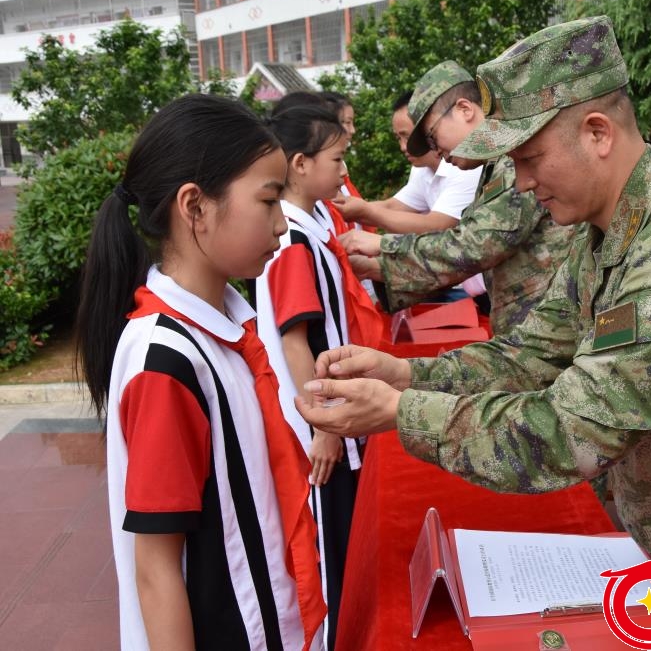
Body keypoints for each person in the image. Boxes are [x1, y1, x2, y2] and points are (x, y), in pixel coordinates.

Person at [295, 17, 651, 644]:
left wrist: (401, 411)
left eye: (530, 159)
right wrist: (406, 373)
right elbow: (531, 356)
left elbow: (565, 434)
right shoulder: (604, 234)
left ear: (597, 133)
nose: (520, 183)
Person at [76, 94, 324, 650]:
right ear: (195, 207)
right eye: (268, 199)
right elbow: (156, 567)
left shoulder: (226, 330)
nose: (283, 222)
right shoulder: (167, 358)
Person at [257, 104, 381, 649]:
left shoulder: (310, 227)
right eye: (337, 158)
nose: (342, 169)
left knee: (349, 544)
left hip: (332, 418)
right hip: (322, 430)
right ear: (301, 164)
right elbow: (293, 338)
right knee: (331, 555)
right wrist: (325, 425)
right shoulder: (292, 242)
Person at [339, 60, 575, 336]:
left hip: (553, 336)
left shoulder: (514, 159)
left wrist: (383, 248)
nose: (434, 150)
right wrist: (377, 269)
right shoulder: (492, 166)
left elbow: (476, 245)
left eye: (432, 136)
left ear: (465, 110)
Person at [336, 91, 482, 234]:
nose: (404, 147)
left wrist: (366, 214)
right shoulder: (422, 169)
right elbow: (393, 207)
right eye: (399, 138)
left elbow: (438, 225)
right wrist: (343, 207)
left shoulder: (465, 167)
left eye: (408, 137)